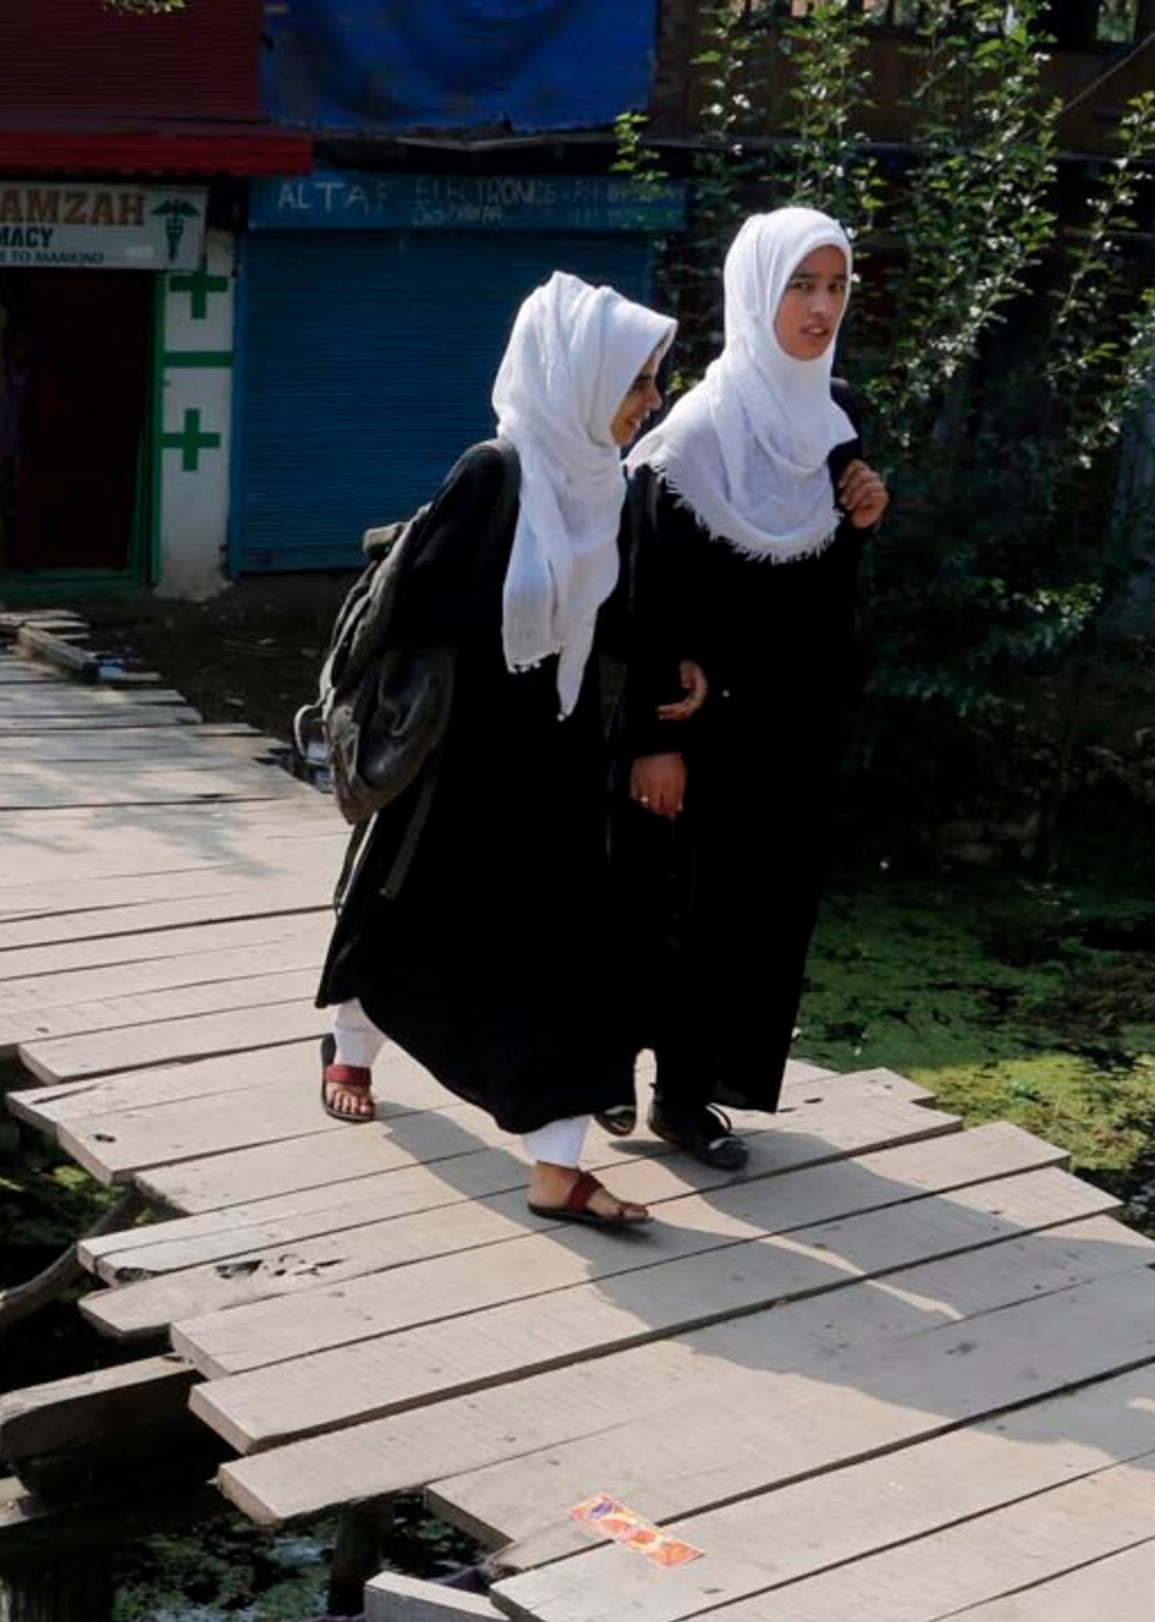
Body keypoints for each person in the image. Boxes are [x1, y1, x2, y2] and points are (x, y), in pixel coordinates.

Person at [312, 272, 701, 1232]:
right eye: (637, 381)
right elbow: (421, 605)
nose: (652, 402)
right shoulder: (497, 472)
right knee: (395, 908)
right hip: (458, 764)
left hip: (554, 759)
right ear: (576, 376)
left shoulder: (600, 483)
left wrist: (663, 676)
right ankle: (350, 1039)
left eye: (654, 380)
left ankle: (556, 1164)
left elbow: (609, 610)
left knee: (558, 953)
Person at [610, 207, 891, 1170]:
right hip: (692, 721)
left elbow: (825, 588)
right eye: (800, 287)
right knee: (657, 901)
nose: (820, 309)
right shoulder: (693, 433)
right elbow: (646, 589)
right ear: (755, 293)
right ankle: (606, 1070)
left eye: (836, 286)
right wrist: (655, 731)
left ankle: (688, 1097)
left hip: (788, 719)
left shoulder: (838, 417)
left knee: (749, 910)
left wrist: (859, 516)